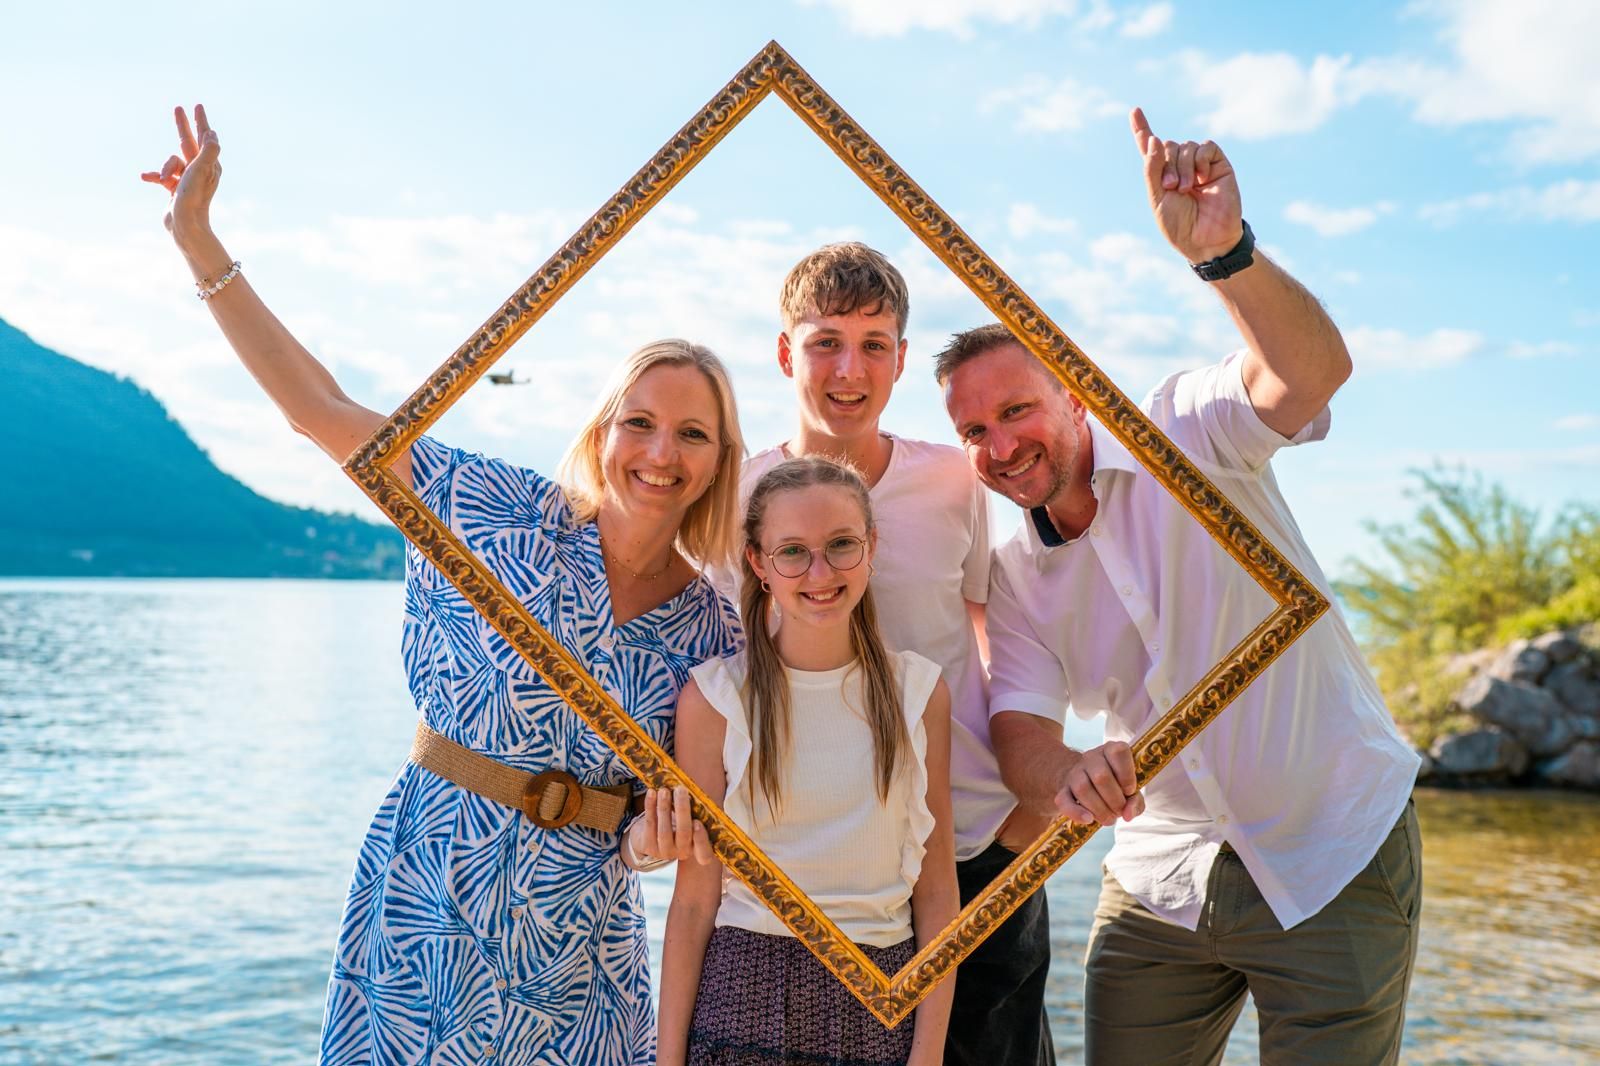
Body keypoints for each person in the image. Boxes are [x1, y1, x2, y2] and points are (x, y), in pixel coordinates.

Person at [143, 105, 745, 1064]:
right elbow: (318, 409)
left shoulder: (717, 633)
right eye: (639, 422)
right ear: (603, 431)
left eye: (692, 434)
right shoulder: (491, 511)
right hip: (429, 905)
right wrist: (199, 241)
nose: (660, 453)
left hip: (583, 958)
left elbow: (651, 830)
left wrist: (654, 848)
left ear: (720, 463)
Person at [938, 107, 1423, 1065]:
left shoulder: (1186, 429)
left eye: (1016, 410)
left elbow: (1313, 372)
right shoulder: (1016, 571)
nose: (1000, 448)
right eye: (973, 434)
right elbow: (1022, 731)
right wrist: (1067, 778)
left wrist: (1226, 254)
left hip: (1332, 842)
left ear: (1075, 395)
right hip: (1162, 878)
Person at [701, 242, 1056, 1064]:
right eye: (825, 341)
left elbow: (1002, 634)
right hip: (816, 871)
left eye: (873, 344)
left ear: (900, 360)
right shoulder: (739, 502)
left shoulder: (956, 483)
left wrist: (1022, 820)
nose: (848, 368)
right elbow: (723, 671)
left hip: (970, 846)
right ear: (788, 353)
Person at [658, 456, 958, 1066]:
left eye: (841, 545)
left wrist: (927, 1055)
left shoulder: (918, 695)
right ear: (759, 564)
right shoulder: (716, 700)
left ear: (871, 547)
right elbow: (693, 900)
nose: (819, 572)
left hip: (881, 995)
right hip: (742, 993)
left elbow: (936, 890)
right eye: (792, 551)